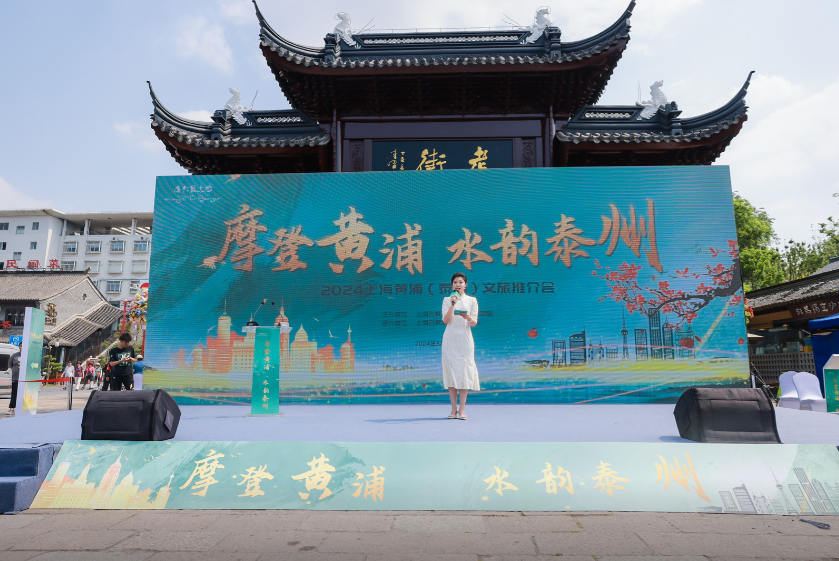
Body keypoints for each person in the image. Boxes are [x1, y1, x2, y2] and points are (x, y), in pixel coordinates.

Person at [441, 271, 479, 420]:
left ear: (465, 284)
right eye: (455, 282)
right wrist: (453, 304)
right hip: (450, 340)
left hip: (465, 340)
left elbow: (474, 323)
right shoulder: (447, 300)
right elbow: (446, 320)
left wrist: (468, 317)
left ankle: (462, 410)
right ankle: (453, 409)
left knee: (464, 374)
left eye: (460, 282)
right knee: (451, 374)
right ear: (452, 285)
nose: (458, 284)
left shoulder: (472, 300)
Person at [7, 343, 21, 414]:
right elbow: (10, 365)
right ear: (19, 347)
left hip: (24, 379)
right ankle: (12, 408)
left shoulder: (28, 356)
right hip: (16, 378)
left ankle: (22, 408)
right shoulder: (14, 355)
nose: (22, 347)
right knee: (14, 393)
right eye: (21, 346)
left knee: (23, 394)